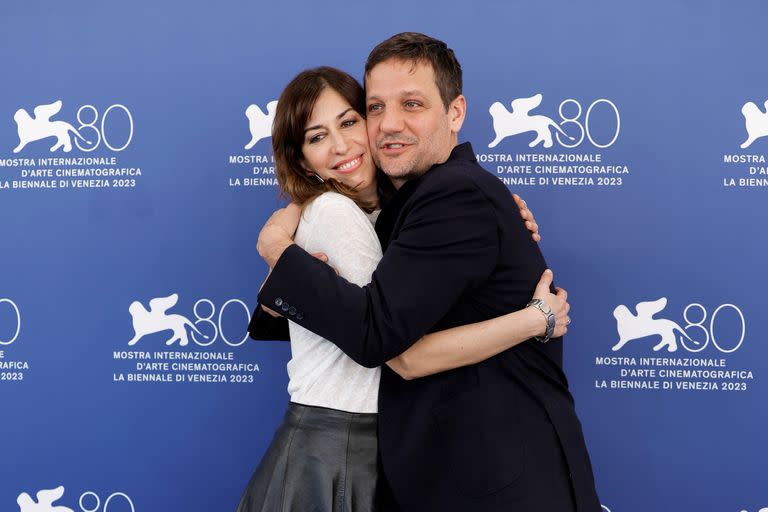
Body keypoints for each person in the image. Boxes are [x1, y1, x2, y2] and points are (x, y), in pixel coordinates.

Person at [256, 33, 600, 512]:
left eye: (411, 104)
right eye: (376, 108)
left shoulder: (452, 196)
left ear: (456, 112)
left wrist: (277, 250)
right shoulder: (407, 206)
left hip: (499, 485)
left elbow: (387, 343)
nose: (388, 124)